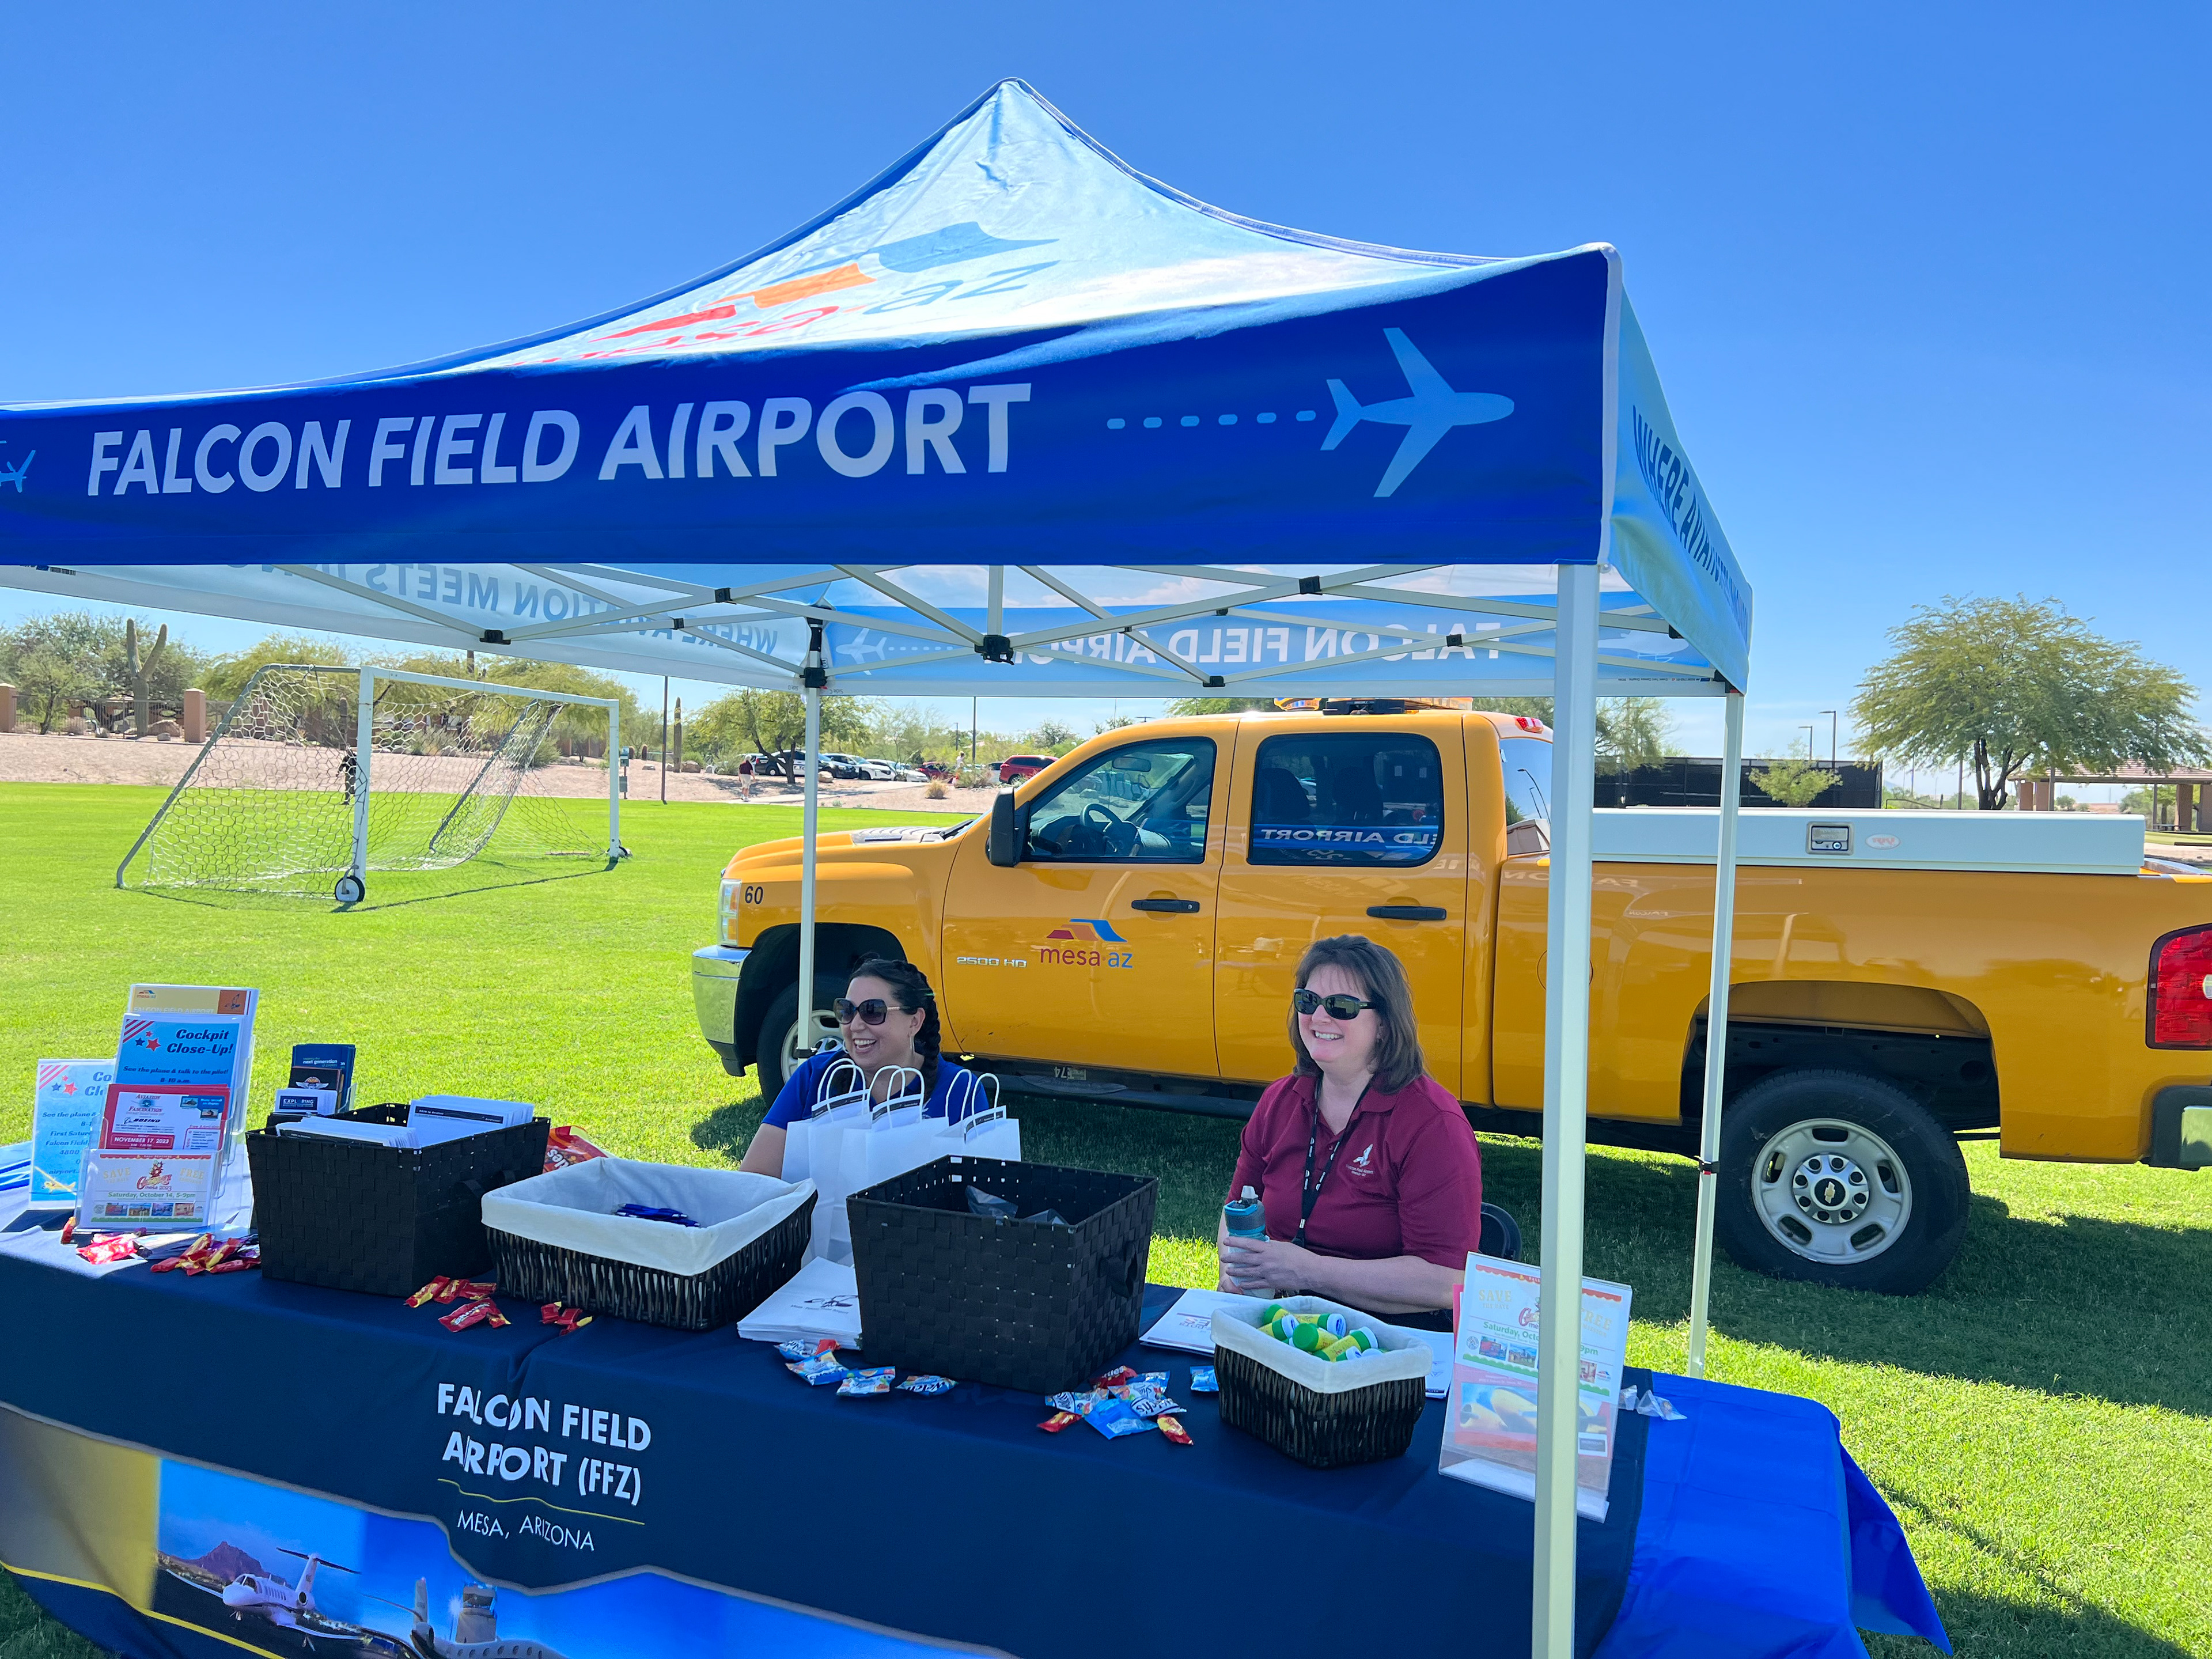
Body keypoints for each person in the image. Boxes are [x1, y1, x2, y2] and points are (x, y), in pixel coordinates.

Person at [1217, 934, 1482, 1321]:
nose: (1319, 1017)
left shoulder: (1432, 1124)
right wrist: (1234, 1274)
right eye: (1307, 1001)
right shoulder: (1280, 1100)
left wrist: (1307, 1270)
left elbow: (1448, 1281)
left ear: (1385, 1025)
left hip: (1386, 1340)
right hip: (1277, 1325)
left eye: (1341, 1006)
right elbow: (1237, 1209)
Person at [740, 958, 978, 1178]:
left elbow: (983, 1197)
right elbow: (755, 1176)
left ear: (914, 1021)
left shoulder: (959, 1089)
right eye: (847, 1010)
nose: (855, 1025)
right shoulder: (815, 1076)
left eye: (872, 1011)